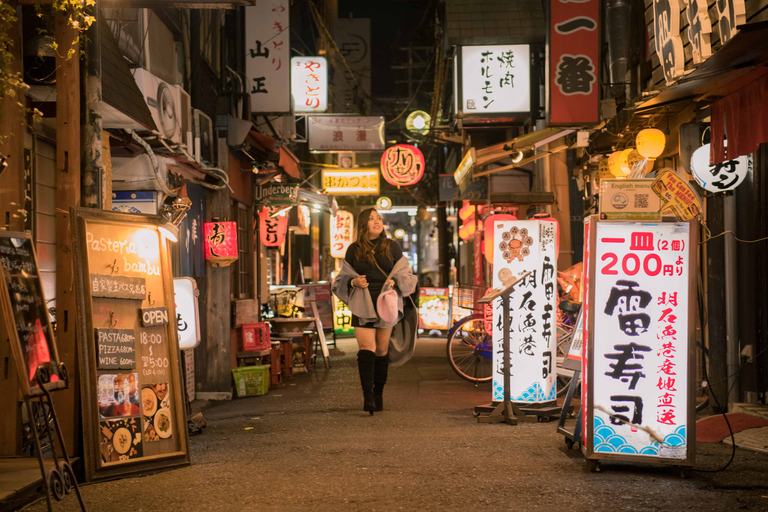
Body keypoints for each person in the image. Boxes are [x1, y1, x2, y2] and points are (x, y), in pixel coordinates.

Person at [332, 208, 417, 415]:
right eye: (371, 219)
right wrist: (354, 281)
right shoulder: (353, 249)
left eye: (378, 218)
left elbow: (406, 273)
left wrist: (394, 280)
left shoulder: (392, 246)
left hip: (386, 302)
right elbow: (342, 279)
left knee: (381, 350)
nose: (376, 222)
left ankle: (378, 393)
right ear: (364, 224)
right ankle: (367, 397)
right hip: (363, 301)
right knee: (366, 349)